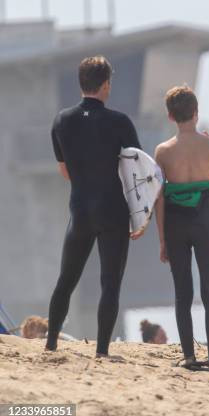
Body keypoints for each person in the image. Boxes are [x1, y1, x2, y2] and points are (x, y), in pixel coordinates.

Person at [46, 56, 143, 357]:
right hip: (113, 211)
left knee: (66, 280)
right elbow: (138, 171)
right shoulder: (119, 122)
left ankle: (50, 344)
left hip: (80, 210)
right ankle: (102, 350)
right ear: (105, 85)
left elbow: (65, 169)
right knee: (110, 283)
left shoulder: (62, 120)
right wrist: (141, 217)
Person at [154, 85, 209, 373]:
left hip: (175, 222)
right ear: (196, 113)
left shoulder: (162, 151)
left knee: (182, 291)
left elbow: (159, 198)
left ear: (170, 116)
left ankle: (188, 356)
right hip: (205, 220)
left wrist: (162, 238)